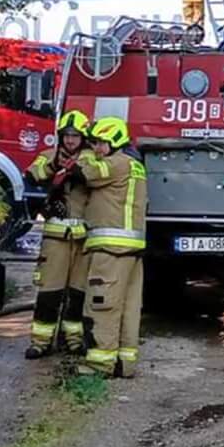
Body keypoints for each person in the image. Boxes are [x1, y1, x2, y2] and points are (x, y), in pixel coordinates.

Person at [80, 116, 149, 377]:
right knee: (129, 309)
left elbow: (86, 173)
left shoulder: (116, 164)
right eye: (95, 143)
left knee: (103, 305)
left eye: (100, 143)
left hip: (111, 250)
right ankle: (125, 363)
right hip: (131, 251)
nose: (97, 148)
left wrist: (84, 154)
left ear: (116, 142)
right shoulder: (135, 165)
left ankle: (100, 364)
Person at [25, 110, 93, 358]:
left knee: (78, 293)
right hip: (55, 237)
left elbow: (96, 179)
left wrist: (75, 171)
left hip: (83, 239)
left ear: (83, 138)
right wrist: (53, 178)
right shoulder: (49, 156)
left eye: (75, 136)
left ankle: (73, 340)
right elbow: (32, 175)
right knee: (49, 291)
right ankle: (40, 342)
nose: (71, 141)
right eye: (66, 136)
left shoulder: (92, 158)